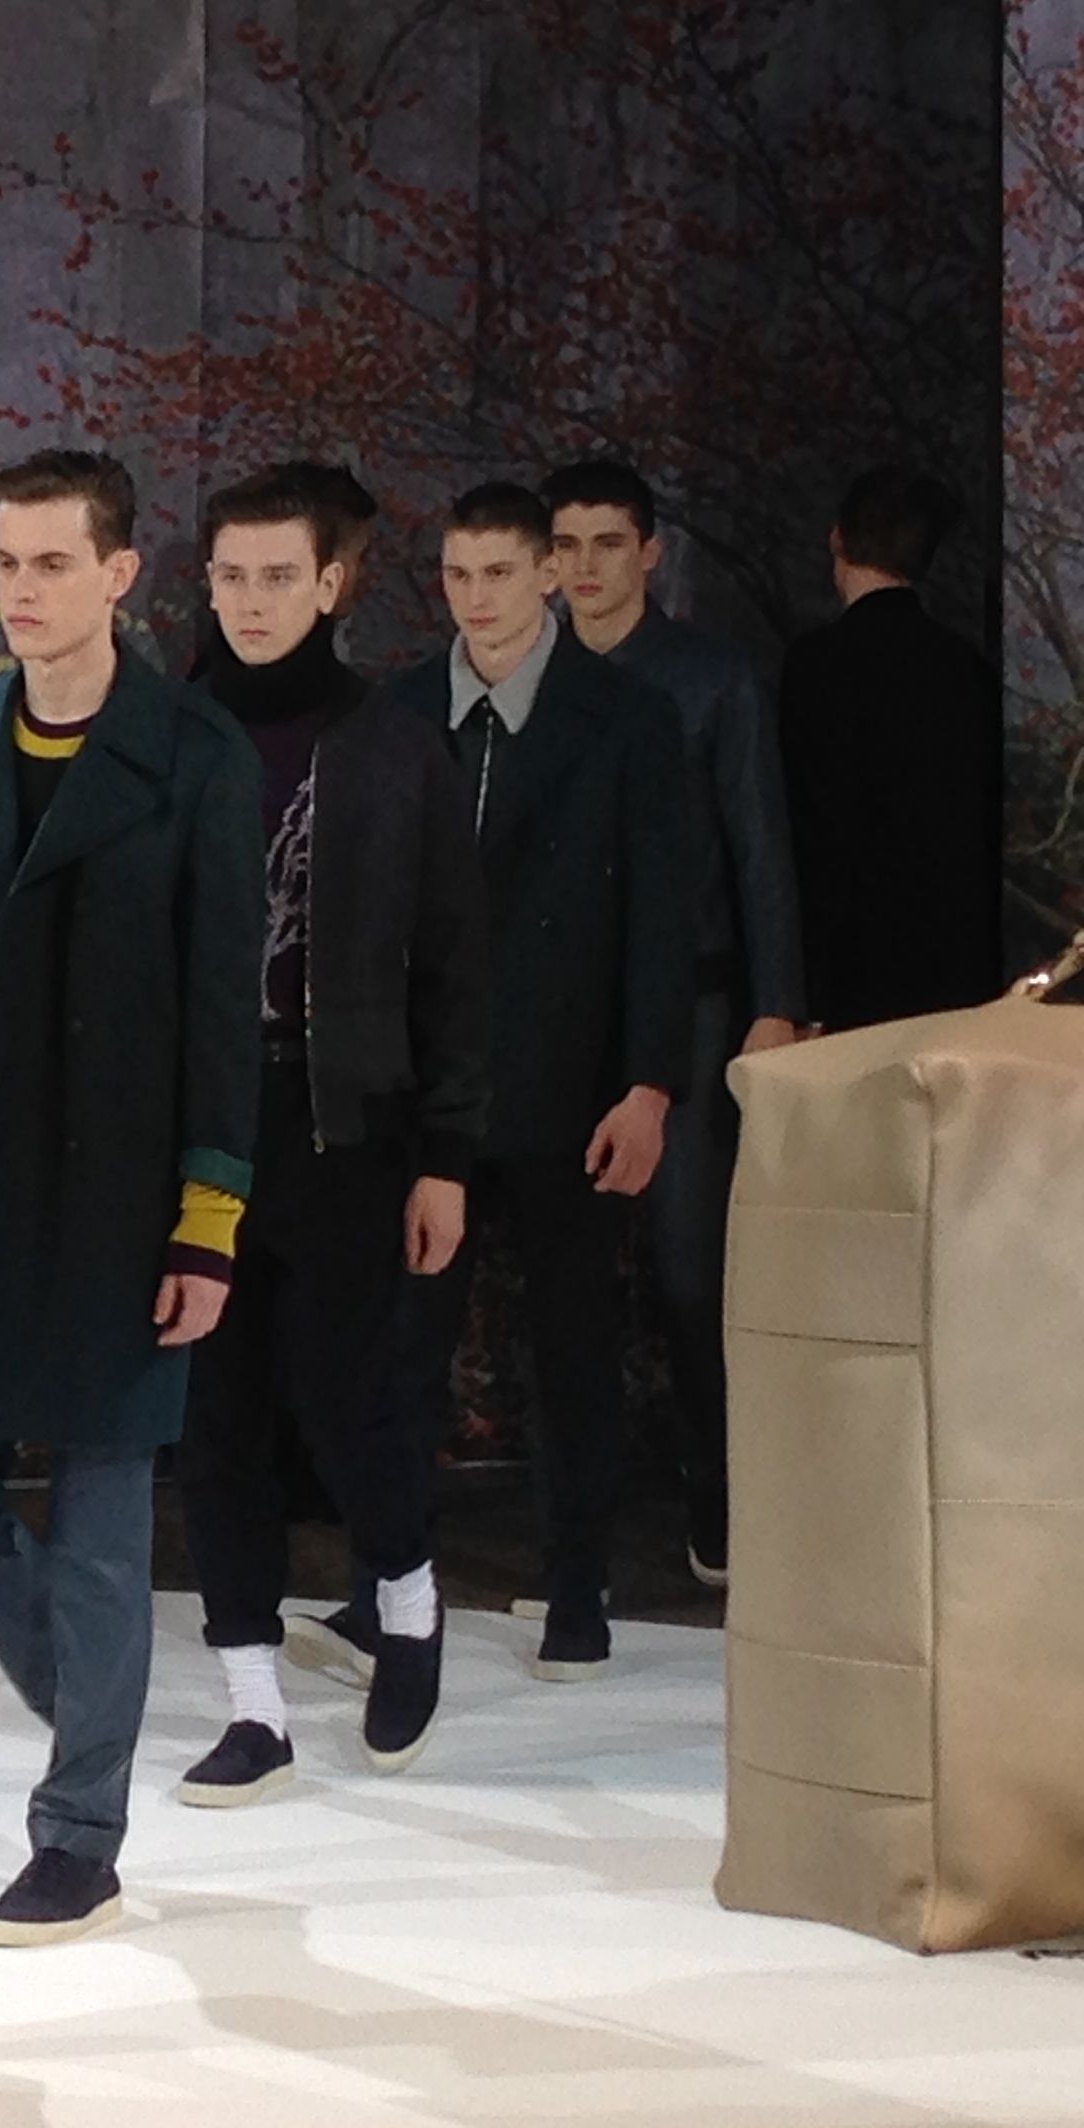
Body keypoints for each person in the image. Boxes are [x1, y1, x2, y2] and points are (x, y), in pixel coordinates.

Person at [0, 450, 265, 1945]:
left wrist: (208, 1220)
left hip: (124, 1198)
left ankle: (79, 1839)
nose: (22, 590)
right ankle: (91, 1709)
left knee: (105, 1530)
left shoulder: (197, 757)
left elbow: (224, 1009)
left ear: (120, 573)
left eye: (53, 563)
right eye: (5, 562)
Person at [174, 464, 489, 1805]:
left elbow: (456, 969)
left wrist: (447, 1156)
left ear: (332, 583)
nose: (251, 601)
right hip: (198, 1129)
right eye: (231, 576)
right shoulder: (169, 735)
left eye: (277, 576)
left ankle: (407, 1604)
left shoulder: (395, 747)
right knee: (216, 1417)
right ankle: (254, 1705)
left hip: (347, 1125)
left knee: (352, 1397)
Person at [372, 483, 694, 1683]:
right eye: (457, 574)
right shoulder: (403, 710)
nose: (476, 597)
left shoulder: (628, 717)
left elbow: (662, 915)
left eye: (500, 572)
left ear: (548, 573)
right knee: (407, 1345)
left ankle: (577, 1589)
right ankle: (392, 1587)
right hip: (428, 1094)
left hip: (572, 1088)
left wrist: (649, 1085)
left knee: (572, 1347)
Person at [547, 460, 806, 1587]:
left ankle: (722, 1491)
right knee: (567, 1273)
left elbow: (760, 847)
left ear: (649, 552)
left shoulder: (711, 680)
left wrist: (776, 1004)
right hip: (561, 1013)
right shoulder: (527, 677)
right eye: (568, 544)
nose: (587, 566)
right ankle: (577, 1522)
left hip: (696, 1005)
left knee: (695, 1270)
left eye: (610, 542)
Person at [781, 466, 1008, 1031]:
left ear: (837, 538)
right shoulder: (968, 670)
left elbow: (811, 827)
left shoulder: (816, 666)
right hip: (958, 968)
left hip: (849, 969)